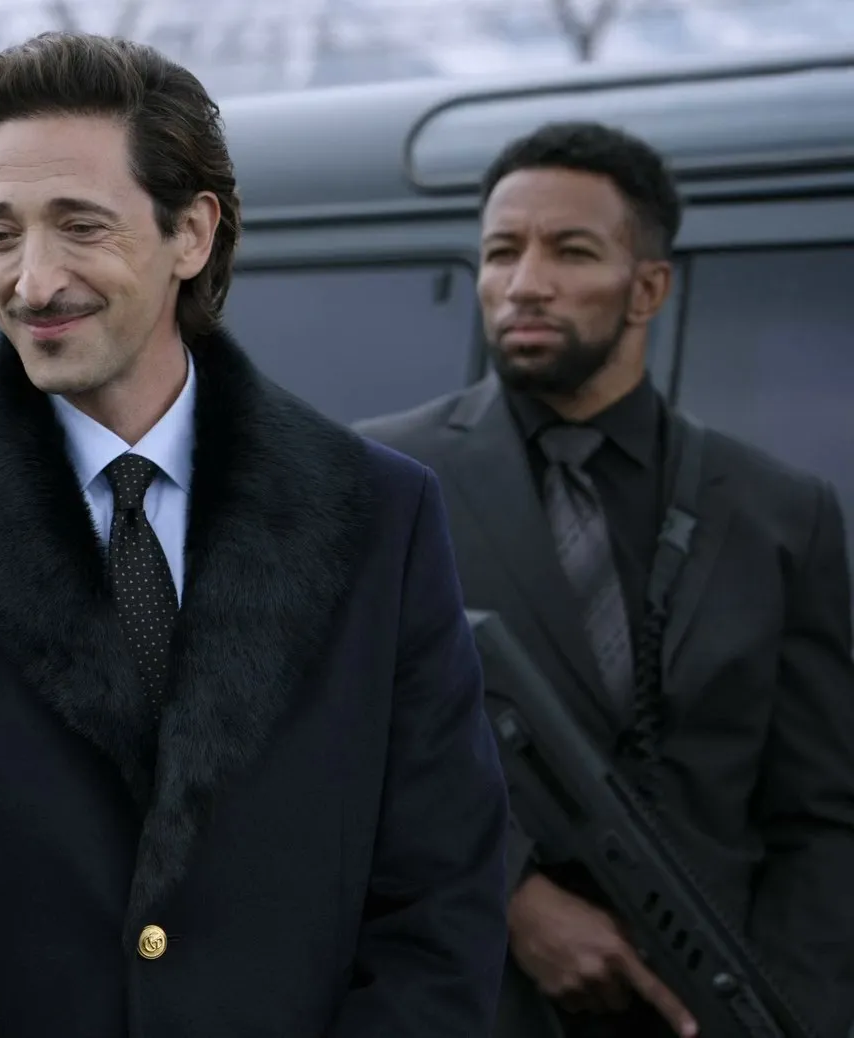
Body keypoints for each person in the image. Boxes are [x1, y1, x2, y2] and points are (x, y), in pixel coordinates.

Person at [0, 31, 510, 1038]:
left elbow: (442, 902)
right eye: (2, 234)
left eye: (79, 226)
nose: (33, 281)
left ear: (193, 234)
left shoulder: (380, 516)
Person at [358, 120, 854, 1038]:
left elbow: (820, 819)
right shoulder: (379, 482)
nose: (525, 282)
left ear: (649, 287)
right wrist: (514, 898)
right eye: (502, 252)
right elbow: (323, 753)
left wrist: (794, 1015)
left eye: (571, 251)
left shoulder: (784, 514)